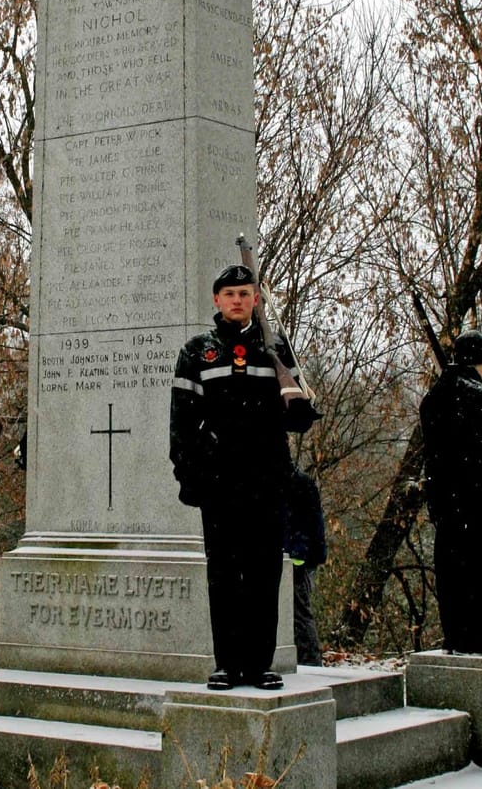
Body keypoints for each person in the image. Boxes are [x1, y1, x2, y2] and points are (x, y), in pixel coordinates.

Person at [169, 264, 312, 691]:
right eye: (229, 294)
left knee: (264, 572)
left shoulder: (275, 347)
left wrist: (300, 406)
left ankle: (260, 664)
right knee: (225, 574)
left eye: (244, 294)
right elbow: (181, 422)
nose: (237, 300)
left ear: (256, 300)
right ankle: (227, 665)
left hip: (267, 480)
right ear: (217, 300)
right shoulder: (198, 352)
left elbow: (299, 418)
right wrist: (190, 475)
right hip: (221, 483)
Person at [419, 329, 482, 656]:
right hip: (473, 498)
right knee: (474, 569)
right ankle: (472, 636)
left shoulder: (435, 396)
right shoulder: (475, 396)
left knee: (449, 568)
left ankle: (454, 635)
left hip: (445, 499)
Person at [284, 468, 327, 666]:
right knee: (297, 614)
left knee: (299, 614)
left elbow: (303, 525)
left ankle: (310, 662)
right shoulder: (299, 482)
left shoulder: (297, 483)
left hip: (298, 560)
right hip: (298, 558)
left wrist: (298, 558)